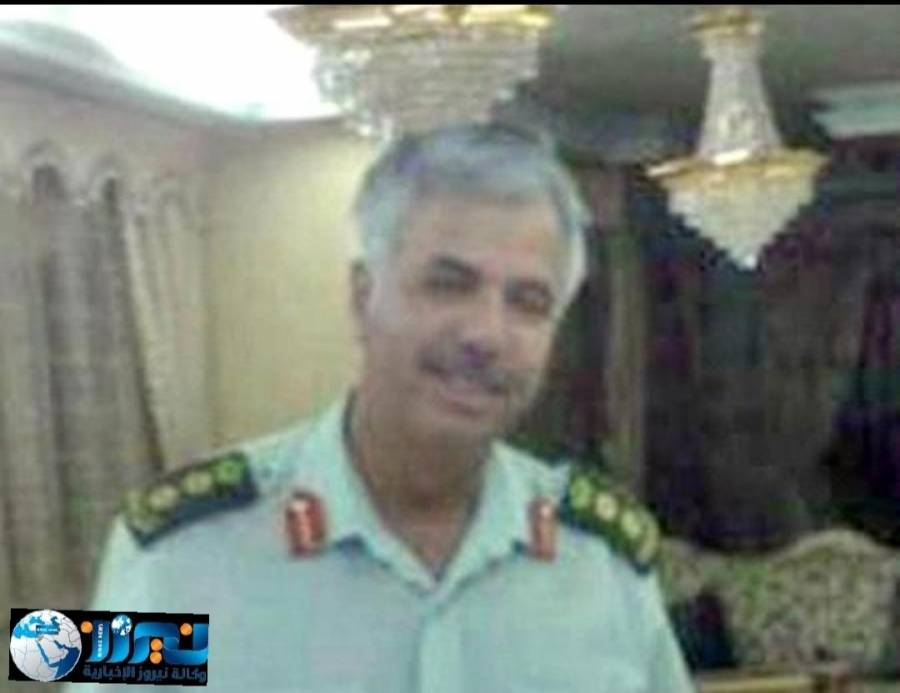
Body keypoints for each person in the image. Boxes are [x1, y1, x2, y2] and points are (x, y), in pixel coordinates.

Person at [70, 124, 694, 692]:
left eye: (528, 302)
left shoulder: (602, 567)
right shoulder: (182, 556)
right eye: (449, 284)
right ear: (362, 296)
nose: (486, 333)